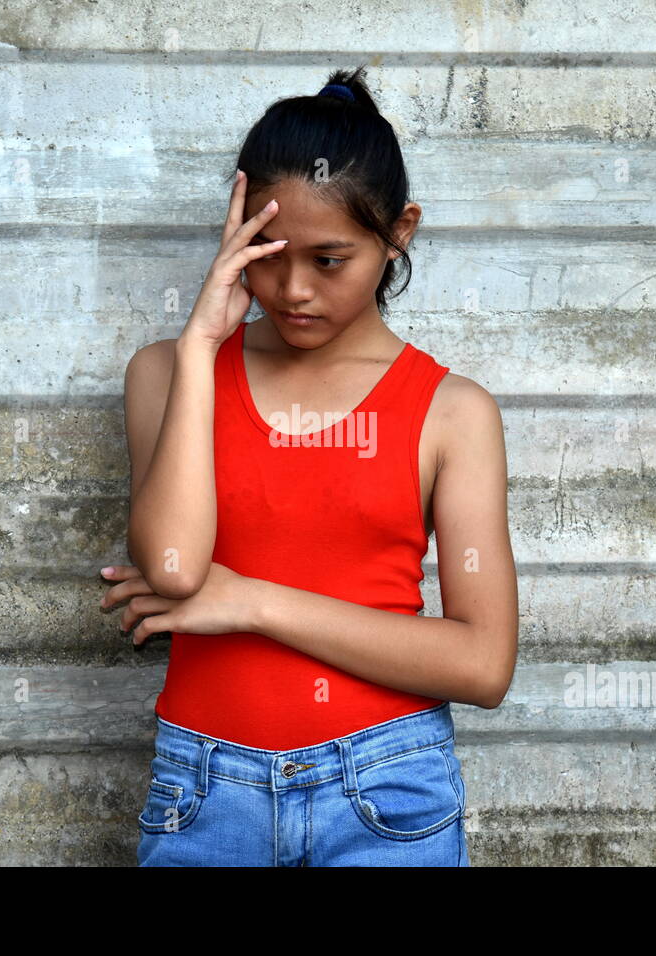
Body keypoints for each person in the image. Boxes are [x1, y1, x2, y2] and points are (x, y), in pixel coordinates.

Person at [100, 65, 518, 866]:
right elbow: (177, 568)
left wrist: (251, 601)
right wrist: (200, 347)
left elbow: (483, 663)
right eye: (267, 255)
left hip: (386, 788)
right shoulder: (168, 373)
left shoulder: (452, 412)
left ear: (399, 234)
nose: (291, 290)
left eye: (329, 260)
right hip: (204, 792)